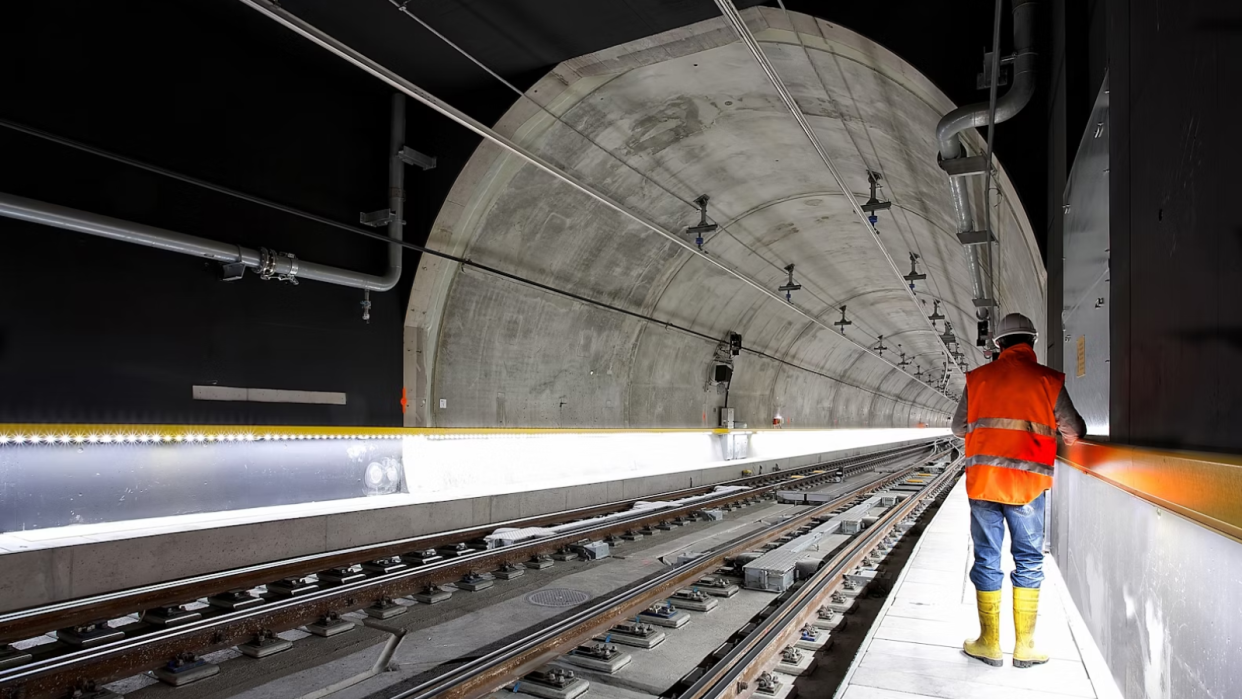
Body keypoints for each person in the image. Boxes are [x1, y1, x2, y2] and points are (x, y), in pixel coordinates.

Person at [950, 312, 1086, 669]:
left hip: (984, 485)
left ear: (998, 344)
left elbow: (957, 427)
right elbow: (1073, 430)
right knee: (1027, 559)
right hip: (1027, 486)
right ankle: (1025, 646)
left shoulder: (977, 379)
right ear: (1032, 342)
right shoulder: (1048, 380)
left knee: (987, 556)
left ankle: (988, 643)